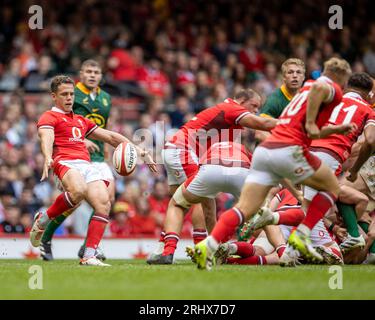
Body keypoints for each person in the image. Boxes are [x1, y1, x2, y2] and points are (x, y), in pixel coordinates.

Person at [193, 57, 354, 270]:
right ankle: (302, 235)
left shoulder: (304, 89)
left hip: (266, 152)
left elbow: (310, 130)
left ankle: (209, 246)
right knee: (332, 187)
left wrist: (334, 129)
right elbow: (311, 124)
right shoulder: (329, 87)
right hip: (289, 150)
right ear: (342, 77)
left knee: (244, 208)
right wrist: (317, 125)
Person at [30, 75, 156, 266]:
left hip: (86, 165)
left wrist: (138, 150)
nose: (69, 98)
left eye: (71, 94)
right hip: (65, 161)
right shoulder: (49, 116)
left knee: (104, 204)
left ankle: (89, 255)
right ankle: (43, 219)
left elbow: (111, 137)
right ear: (53, 96)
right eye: (64, 94)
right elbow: (45, 136)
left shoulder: (81, 120)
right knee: (78, 191)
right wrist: (47, 156)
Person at [148, 89, 277, 263]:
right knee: (203, 203)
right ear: (240, 100)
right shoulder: (232, 109)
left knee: (180, 202)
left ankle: (164, 249)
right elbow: (261, 123)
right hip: (184, 150)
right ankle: (203, 249)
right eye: (253, 106)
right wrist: (292, 123)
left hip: (175, 148)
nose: (255, 111)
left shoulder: (227, 115)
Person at [39, 59, 115, 261]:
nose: (92, 75)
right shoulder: (73, 93)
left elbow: (104, 125)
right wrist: (82, 140)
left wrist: (107, 148)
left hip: (97, 156)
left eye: (96, 72)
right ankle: (45, 237)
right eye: (88, 71)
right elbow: (66, 125)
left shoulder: (106, 97)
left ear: (101, 76)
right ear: (81, 74)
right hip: (73, 154)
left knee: (107, 199)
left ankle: (88, 247)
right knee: (75, 200)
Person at [148, 141, 252, 264]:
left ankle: (168, 251)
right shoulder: (242, 147)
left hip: (206, 165)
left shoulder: (211, 145)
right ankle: (279, 248)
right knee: (260, 215)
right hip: (242, 170)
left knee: (178, 203)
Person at [255, 58, 305, 142]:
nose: (295, 75)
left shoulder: (306, 97)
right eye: (290, 72)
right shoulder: (274, 100)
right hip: (270, 151)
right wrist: (285, 146)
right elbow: (260, 133)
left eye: (298, 72)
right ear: (284, 77)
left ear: (303, 77)